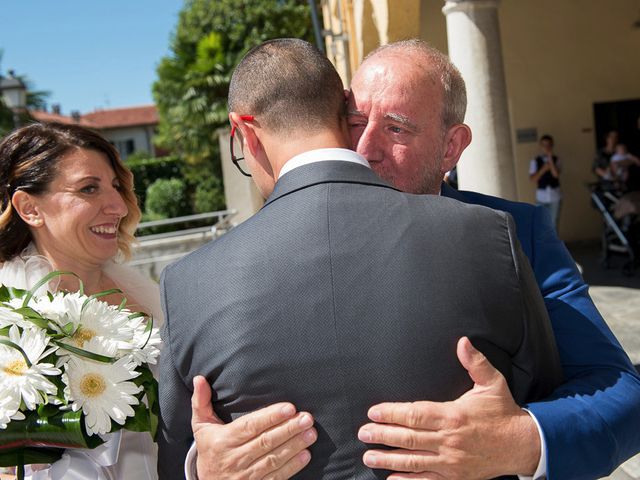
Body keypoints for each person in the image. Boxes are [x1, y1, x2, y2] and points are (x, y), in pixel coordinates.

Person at [192, 40, 640, 480]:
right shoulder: (264, 256)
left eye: (397, 128)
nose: (365, 148)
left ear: (451, 147)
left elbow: (621, 393)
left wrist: (521, 440)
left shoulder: (516, 232)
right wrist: (204, 465)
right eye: (355, 121)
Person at [0, 122, 161, 480]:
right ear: (29, 208)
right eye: (89, 189)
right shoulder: (9, 322)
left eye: (116, 187)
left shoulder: (152, 302)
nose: (118, 206)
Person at [528, 134, 561, 231]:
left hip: (555, 196)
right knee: (541, 223)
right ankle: (543, 245)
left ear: (552, 146)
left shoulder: (557, 160)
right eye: (544, 145)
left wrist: (550, 159)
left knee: (553, 223)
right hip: (541, 197)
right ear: (540, 146)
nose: (546, 148)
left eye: (549, 145)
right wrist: (543, 169)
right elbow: (532, 179)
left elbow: (556, 175)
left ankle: (553, 245)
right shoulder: (535, 161)